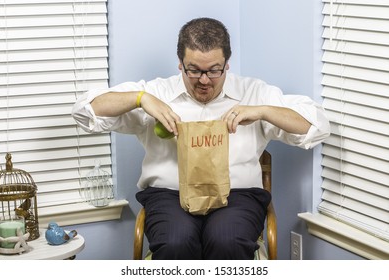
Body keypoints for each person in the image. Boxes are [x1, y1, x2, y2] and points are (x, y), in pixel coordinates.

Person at [72, 17, 330, 260]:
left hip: (237, 196)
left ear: (227, 63)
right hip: (169, 195)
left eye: (214, 71)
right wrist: (140, 99)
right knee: (175, 241)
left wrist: (262, 111)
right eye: (193, 70)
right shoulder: (157, 91)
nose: (204, 81)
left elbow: (317, 125)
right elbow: (84, 111)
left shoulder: (252, 92)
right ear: (180, 63)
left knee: (226, 240)